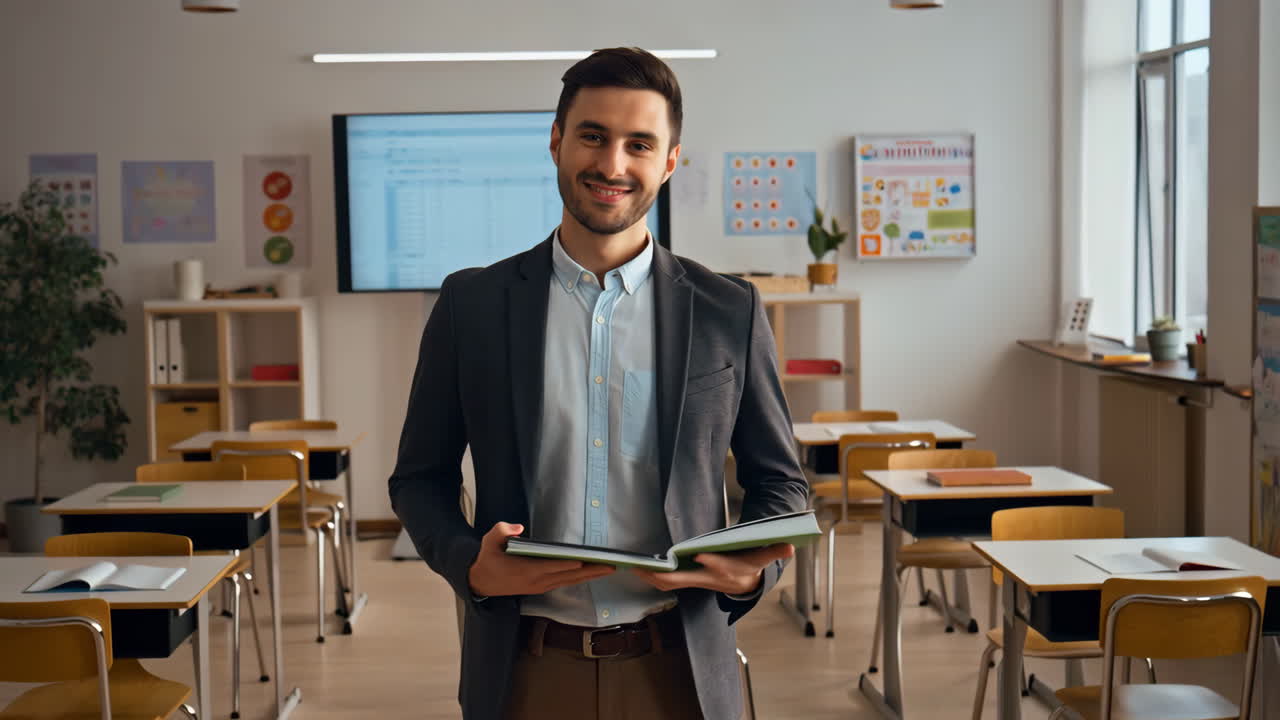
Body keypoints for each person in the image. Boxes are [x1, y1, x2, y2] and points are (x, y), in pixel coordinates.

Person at [389, 47, 808, 720]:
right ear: (556, 141)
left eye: (639, 144)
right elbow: (418, 478)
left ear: (669, 161)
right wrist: (469, 564)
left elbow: (781, 483)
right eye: (593, 136)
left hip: (682, 671)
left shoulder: (728, 310)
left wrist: (754, 567)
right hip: (523, 669)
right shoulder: (472, 305)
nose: (612, 165)